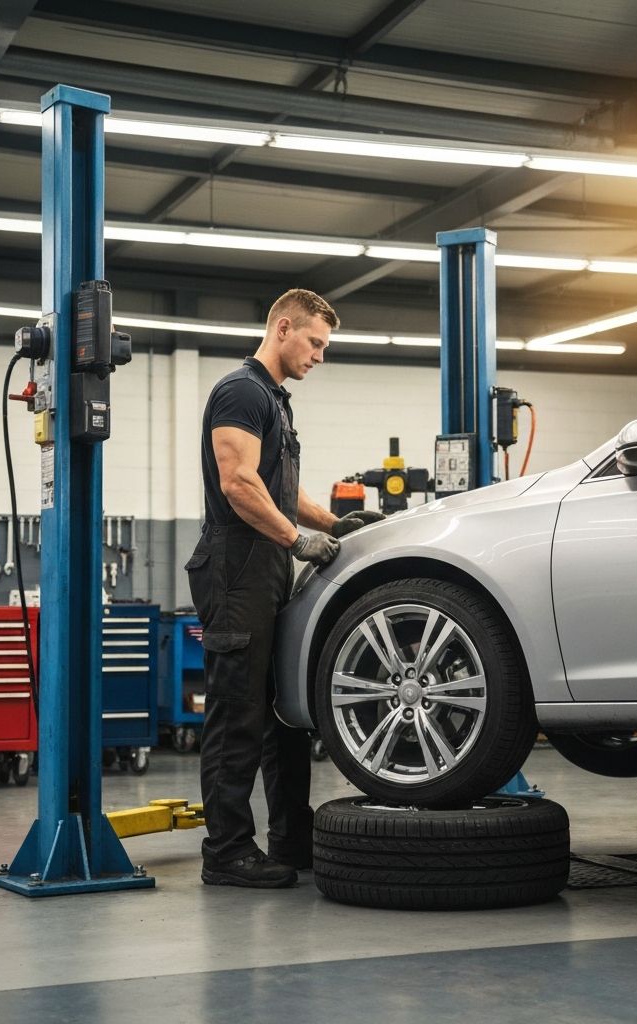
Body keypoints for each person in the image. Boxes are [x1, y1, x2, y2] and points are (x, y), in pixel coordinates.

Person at [185, 288, 384, 889]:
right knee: (238, 713)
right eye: (315, 342)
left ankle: (290, 840)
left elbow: (277, 485)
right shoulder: (241, 391)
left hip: (265, 564)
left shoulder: (275, 400)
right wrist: (296, 541)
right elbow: (239, 483)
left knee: (281, 714)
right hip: (235, 566)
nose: (320, 356)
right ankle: (225, 852)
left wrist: (331, 523)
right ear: (283, 327)